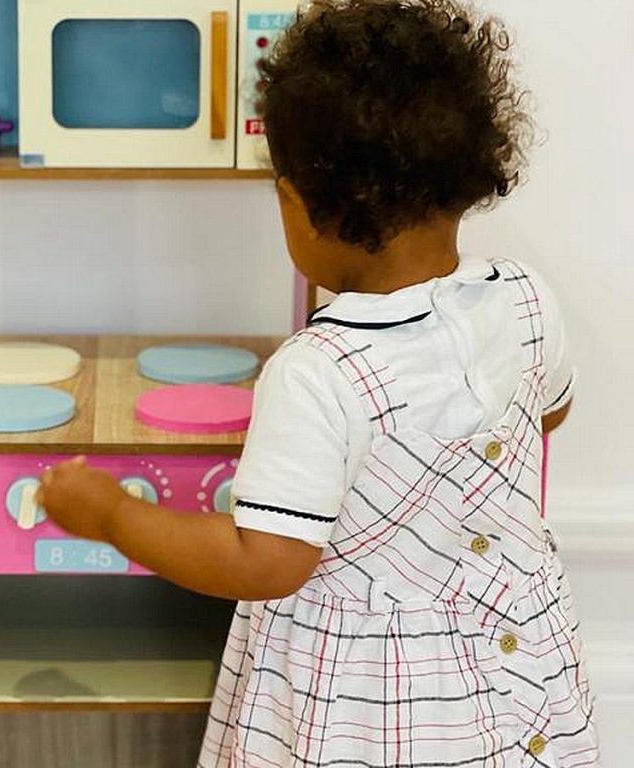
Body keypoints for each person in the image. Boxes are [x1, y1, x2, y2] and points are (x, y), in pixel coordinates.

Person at [36, 0, 598, 764]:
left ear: (303, 208)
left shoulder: (317, 371)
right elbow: (541, 420)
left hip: (377, 702)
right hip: (515, 664)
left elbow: (262, 561)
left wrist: (111, 515)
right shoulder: (529, 298)